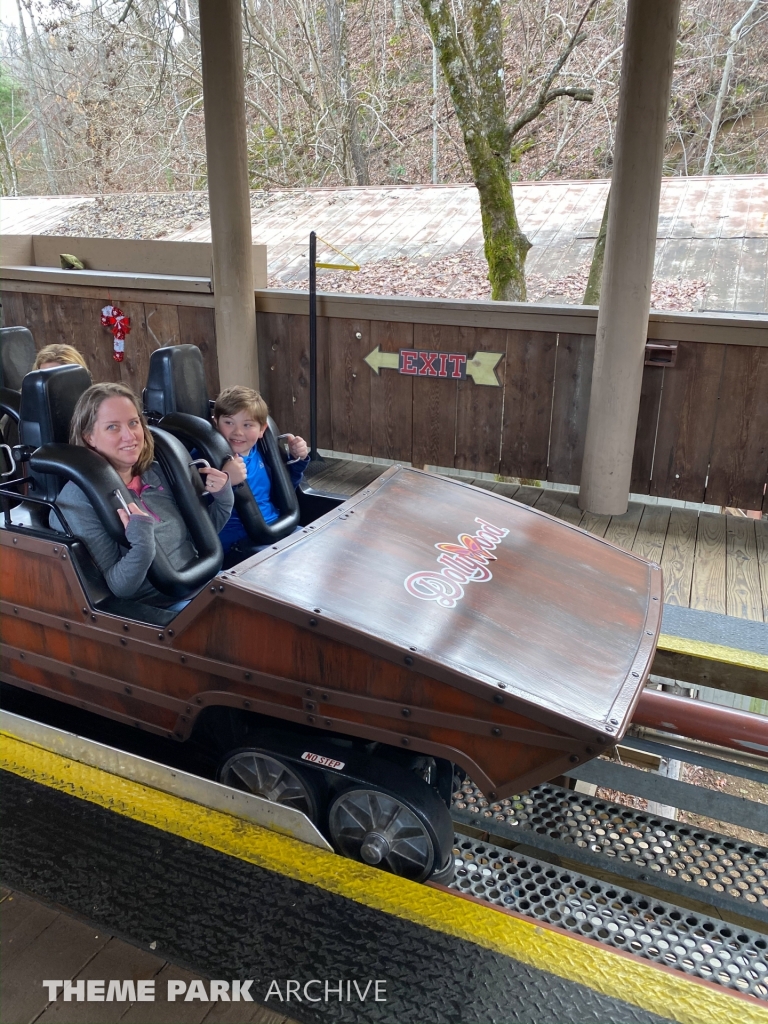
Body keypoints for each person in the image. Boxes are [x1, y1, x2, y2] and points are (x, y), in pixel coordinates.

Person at [51, 382, 233, 608]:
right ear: (89, 437)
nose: (130, 436)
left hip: (205, 583)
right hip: (159, 607)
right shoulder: (78, 500)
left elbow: (203, 533)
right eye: (113, 427)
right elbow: (121, 588)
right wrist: (142, 544)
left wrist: (224, 498)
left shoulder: (156, 472)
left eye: (133, 423)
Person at [212, 385, 309, 559]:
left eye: (247, 424)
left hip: (277, 525)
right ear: (215, 423)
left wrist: (297, 460)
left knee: (313, 544)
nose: (238, 432)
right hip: (239, 540)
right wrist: (226, 483)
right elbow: (200, 510)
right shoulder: (207, 458)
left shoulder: (262, 452)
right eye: (228, 422)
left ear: (262, 429)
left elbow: (284, 491)